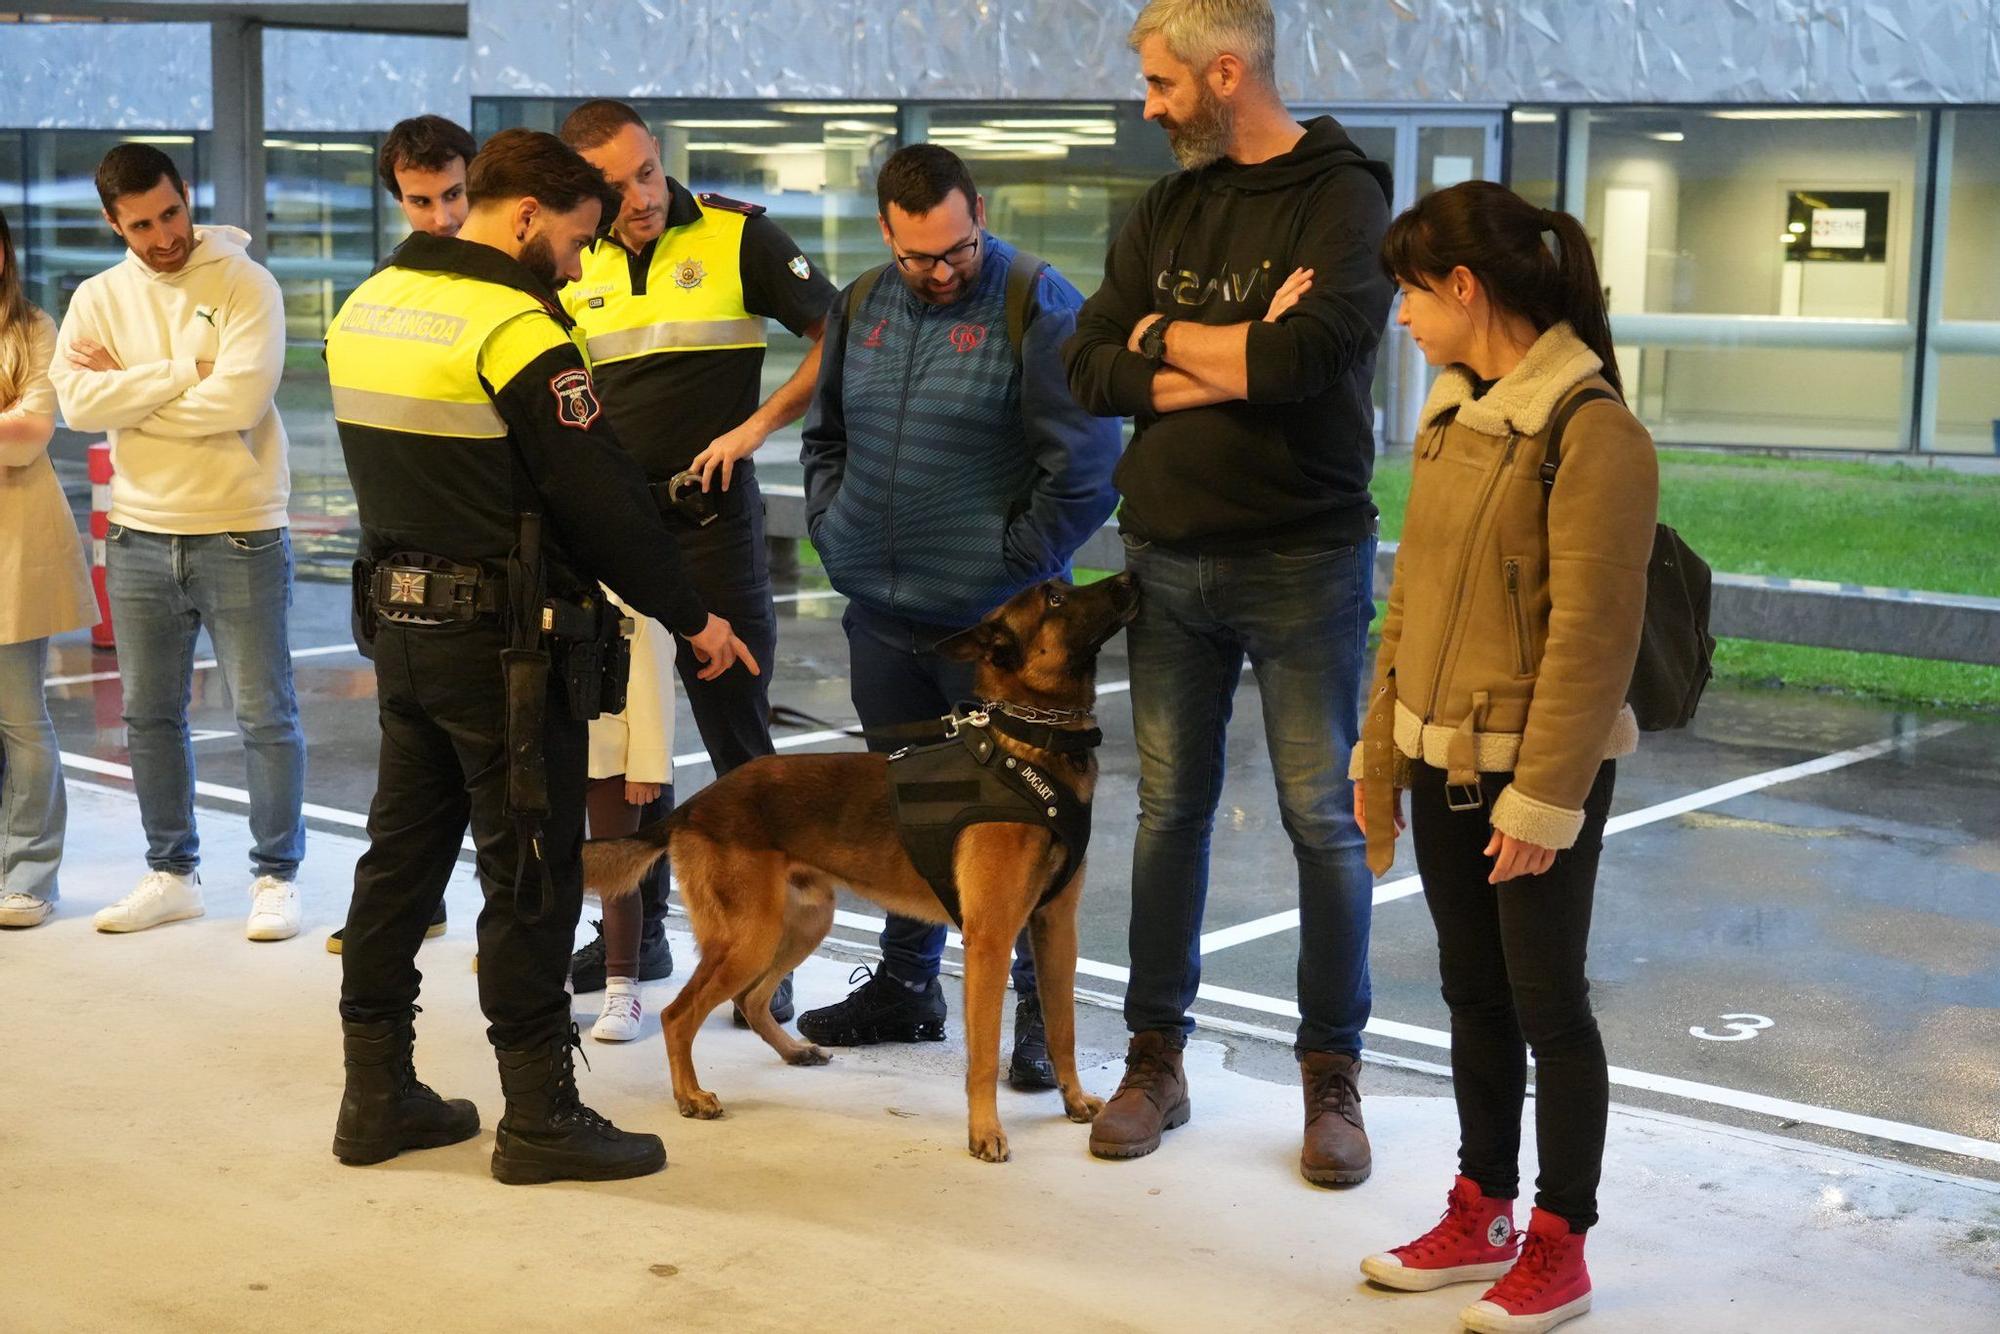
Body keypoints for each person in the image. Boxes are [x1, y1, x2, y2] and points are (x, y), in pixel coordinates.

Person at [324, 128, 757, 1184]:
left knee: (398, 862)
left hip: (403, 626)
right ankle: (539, 1115)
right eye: (570, 240)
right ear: (524, 217)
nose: (575, 264)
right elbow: (596, 495)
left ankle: (374, 1094)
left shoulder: (368, 301)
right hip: (505, 650)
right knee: (528, 873)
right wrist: (692, 616)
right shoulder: (516, 326)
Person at [1061, 0, 1393, 1181]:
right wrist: (1224, 345)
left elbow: (1309, 362)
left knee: (1322, 818)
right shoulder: (1166, 206)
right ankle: (1154, 1059)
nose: (1146, 106)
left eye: (1158, 84)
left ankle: (1330, 1076)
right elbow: (1090, 361)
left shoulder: (1342, 195)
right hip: (1164, 555)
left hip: (1302, 557)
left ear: (1223, 72)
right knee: (1167, 812)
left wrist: (1179, 346)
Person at [1353, 181, 1655, 1334]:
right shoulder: (1447, 417)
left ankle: (1558, 1241)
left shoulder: (1590, 431)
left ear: (1462, 288)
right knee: (1470, 993)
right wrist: (1377, 751)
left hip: (1532, 779)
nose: (1401, 320)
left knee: (1547, 1005)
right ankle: (1478, 1209)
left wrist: (1542, 801)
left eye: (1408, 294)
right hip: (1439, 761)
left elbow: (1593, 640)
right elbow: (1406, 607)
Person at [798, 144, 1121, 1087]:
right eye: (919, 258)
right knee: (910, 811)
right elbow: (826, 436)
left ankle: (1030, 1015)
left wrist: (1013, 563)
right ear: (886, 235)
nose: (941, 271)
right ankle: (908, 985)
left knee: (1014, 825)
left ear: (977, 210)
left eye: (956, 249)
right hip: (882, 619)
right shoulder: (860, 303)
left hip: (992, 636)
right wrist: (833, 528)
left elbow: (1088, 468)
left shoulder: (1036, 300)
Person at [557, 99, 837, 1018]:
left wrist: (755, 428)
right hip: (611, 542)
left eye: (645, 171)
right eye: (613, 185)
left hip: (713, 531)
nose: (638, 197)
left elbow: (838, 339)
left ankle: (772, 962)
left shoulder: (735, 237)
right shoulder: (570, 257)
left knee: (743, 758)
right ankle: (636, 940)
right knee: (619, 753)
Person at [50, 144, 308, 943]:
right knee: (148, 717)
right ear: (112, 223)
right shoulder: (97, 296)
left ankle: (276, 875)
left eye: (170, 213)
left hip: (240, 529)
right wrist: (177, 370)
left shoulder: (244, 282)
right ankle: (172, 873)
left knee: (266, 714)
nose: (162, 235)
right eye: (140, 224)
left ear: (185, 194)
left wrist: (129, 384)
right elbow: (76, 405)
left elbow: (237, 400)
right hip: (135, 533)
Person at [327, 113, 484, 959]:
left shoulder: (515, 283)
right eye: (421, 201)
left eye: (454, 194)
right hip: (403, 560)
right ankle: (405, 909)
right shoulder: (384, 293)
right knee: (411, 779)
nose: (442, 217)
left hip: (495, 563)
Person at [0, 206, 97, 929]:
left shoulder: (33, 328)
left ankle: (30, 874)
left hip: (15, 547)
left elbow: (30, 434)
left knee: (21, 720)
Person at [583, 588, 676, 1043]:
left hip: (613, 759)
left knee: (618, 879)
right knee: (550, 870)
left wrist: (648, 768)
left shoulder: (632, 598)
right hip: (552, 752)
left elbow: (653, 685)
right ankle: (543, 982)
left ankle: (622, 987)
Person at [380, 115, 478, 240]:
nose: (443, 221)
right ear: (401, 203)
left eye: (454, 195)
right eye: (422, 202)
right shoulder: (397, 261)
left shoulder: (508, 255)